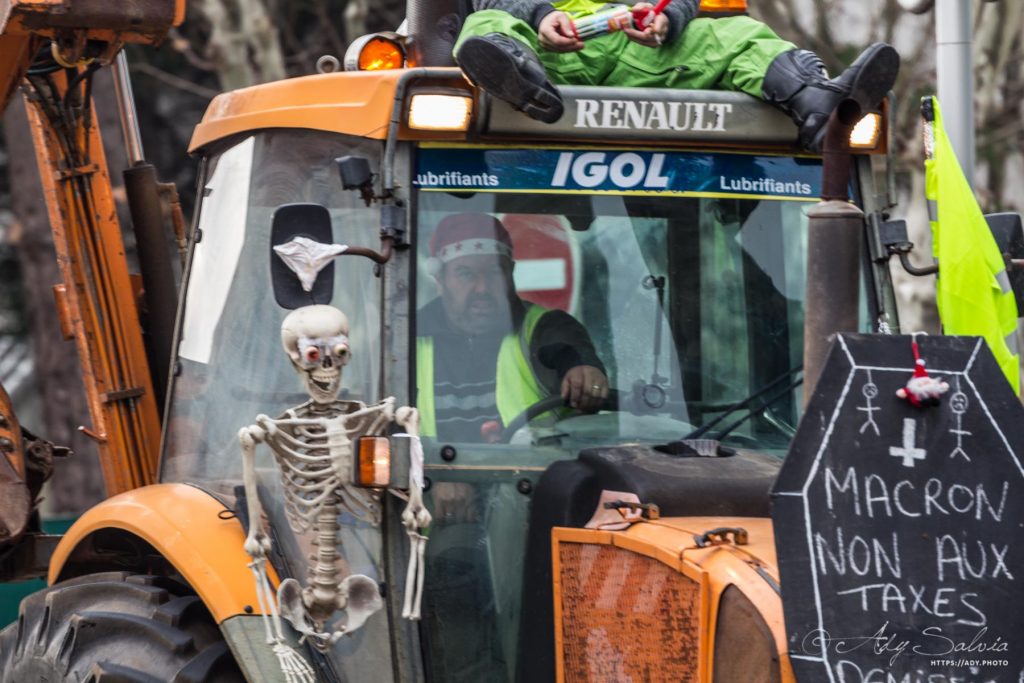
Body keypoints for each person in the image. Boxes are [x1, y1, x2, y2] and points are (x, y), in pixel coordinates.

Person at [454, 0, 900, 151]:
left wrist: (669, 19)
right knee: (486, 25)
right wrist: (540, 14)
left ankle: (817, 104)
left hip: (643, 48)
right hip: (550, 51)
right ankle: (523, 85)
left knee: (738, 35)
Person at [416, 212, 608, 442]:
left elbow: (568, 350)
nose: (482, 288)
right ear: (440, 280)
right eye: (466, 274)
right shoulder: (407, 338)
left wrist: (583, 371)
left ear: (511, 273)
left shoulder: (544, 327)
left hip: (535, 474)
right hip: (432, 476)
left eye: (495, 272)